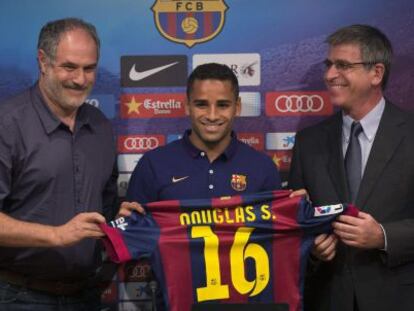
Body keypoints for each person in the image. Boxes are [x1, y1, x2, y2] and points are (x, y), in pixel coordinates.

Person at [289, 24, 414, 311]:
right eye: (329, 64)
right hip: (328, 299)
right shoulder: (309, 142)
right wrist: (313, 249)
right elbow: (295, 224)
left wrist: (383, 236)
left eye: (343, 65)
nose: (330, 75)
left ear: (376, 73)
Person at [0, 18, 119, 310]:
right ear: (43, 61)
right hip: (19, 296)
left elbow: (103, 209)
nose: (80, 79)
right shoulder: (7, 124)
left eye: (89, 68)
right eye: (69, 67)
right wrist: (56, 235)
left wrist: (119, 216)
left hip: (87, 296)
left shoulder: (102, 127)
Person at [122, 62, 282, 207]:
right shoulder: (153, 165)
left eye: (223, 105)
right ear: (187, 106)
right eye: (201, 104)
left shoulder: (263, 168)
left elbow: (276, 234)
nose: (212, 116)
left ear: (237, 107)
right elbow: (132, 231)